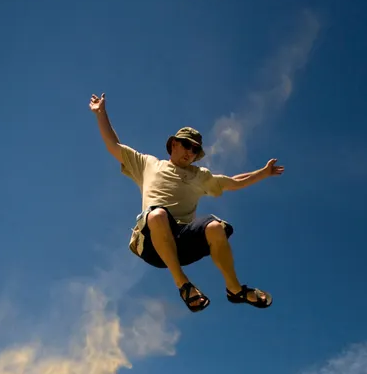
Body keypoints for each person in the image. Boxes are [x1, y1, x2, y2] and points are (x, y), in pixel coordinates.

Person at [89, 92, 284, 313]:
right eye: (186, 145)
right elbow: (113, 145)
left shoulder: (199, 175)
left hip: (182, 243)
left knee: (215, 227)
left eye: (195, 150)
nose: (190, 152)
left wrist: (263, 173)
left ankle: (235, 289)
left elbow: (233, 182)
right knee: (158, 215)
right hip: (152, 243)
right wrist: (101, 113)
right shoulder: (148, 164)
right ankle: (183, 285)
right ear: (173, 144)